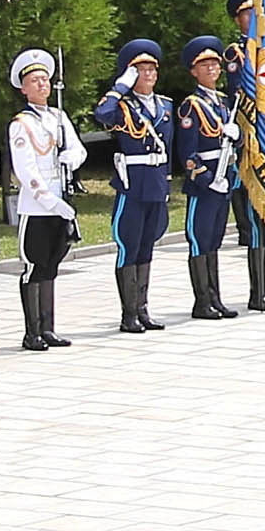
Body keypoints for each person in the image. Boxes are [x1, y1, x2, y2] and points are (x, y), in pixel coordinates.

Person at [5, 50, 84, 351]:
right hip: (37, 205)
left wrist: (72, 157)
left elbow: (79, 150)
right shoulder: (21, 124)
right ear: (23, 88)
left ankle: (48, 327)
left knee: (52, 265)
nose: (41, 85)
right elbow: (26, 171)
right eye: (34, 81)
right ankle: (32, 331)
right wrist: (51, 202)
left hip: (60, 201)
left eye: (45, 80)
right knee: (34, 267)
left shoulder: (58, 117)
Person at [94, 40, 172, 335]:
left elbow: (170, 148)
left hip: (155, 182)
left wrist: (166, 182)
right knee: (129, 246)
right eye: (141, 69)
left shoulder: (166, 106)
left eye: (152, 68)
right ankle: (128, 315)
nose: (149, 74)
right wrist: (120, 87)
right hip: (133, 184)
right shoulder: (123, 106)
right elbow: (102, 115)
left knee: (147, 247)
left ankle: (143, 308)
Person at [171, 36, 241, 323]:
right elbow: (187, 154)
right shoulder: (191, 106)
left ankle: (215, 297)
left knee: (214, 240)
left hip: (225, 177)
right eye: (204, 64)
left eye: (215, 63)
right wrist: (207, 177)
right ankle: (202, 301)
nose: (212, 68)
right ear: (193, 71)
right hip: (206, 183)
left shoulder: (224, 103)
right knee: (200, 241)